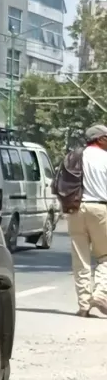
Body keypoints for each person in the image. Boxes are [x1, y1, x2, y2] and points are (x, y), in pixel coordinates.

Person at [65, 124, 107, 317]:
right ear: (100, 139)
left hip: (75, 209)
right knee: (105, 257)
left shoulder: (73, 156)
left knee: (80, 259)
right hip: (100, 209)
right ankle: (100, 293)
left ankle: (83, 305)